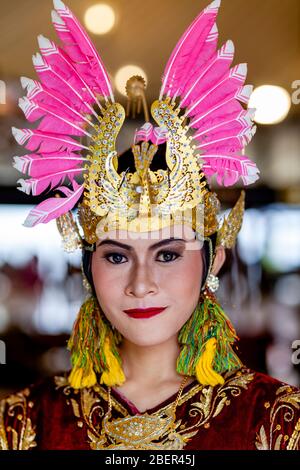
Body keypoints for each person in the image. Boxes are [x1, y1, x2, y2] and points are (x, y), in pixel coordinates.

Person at [0, 0, 299, 451]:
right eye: (117, 255)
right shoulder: (25, 423)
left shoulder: (277, 423)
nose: (142, 285)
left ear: (212, 259)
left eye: (168, 254)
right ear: (86, 264)